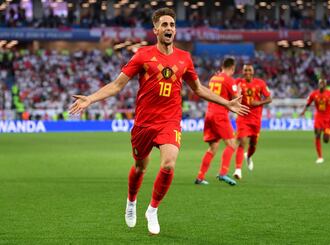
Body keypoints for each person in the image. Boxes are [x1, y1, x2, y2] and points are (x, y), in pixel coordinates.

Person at [69, 8, 249, 235]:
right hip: (144, 123)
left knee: (169, 163)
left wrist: (227, 103)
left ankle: (152, 209)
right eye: (164, 24)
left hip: (170, 121)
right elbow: (117, 85)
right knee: (140, 167)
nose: (169, 28)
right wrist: (90, 99)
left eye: (172, 24)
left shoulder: (184, 58)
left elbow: (199, 89)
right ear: (155, 30)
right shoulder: (143, 55)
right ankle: (131, 202)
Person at [195, 57, 239, 186]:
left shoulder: (213, 78)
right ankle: (223, 173)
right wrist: (239, 92)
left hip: (209, 114)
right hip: (220, 115)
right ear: (232, 68)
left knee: (213, 147)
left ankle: (200, 177)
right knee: (232, 144)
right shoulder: (230, 80)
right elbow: (236, 100)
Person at [233, 64, 272, 179]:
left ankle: (249, 157)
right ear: (242, 71)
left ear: (253, 72)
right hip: (242, 117)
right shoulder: (237, 82)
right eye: (245, 70)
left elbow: (269, 99)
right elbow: (229, 89)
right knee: (242, 142)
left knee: (253, 144)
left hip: (256, 120)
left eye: (249, 70)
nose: (247, 72)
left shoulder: (260, 83)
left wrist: (258, 103)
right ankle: (238, 169)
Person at [300, 79, 330, 164]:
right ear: (318, 84)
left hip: (328, 118)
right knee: (317, 135)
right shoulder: (314, 94)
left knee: (326, 140)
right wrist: (303, 111)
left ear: (325, 85)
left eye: (323, 83)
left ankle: (329, 132)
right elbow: (308, 103)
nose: (321, 85)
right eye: (320, 83)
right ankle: (320, 157)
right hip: (319, 117)